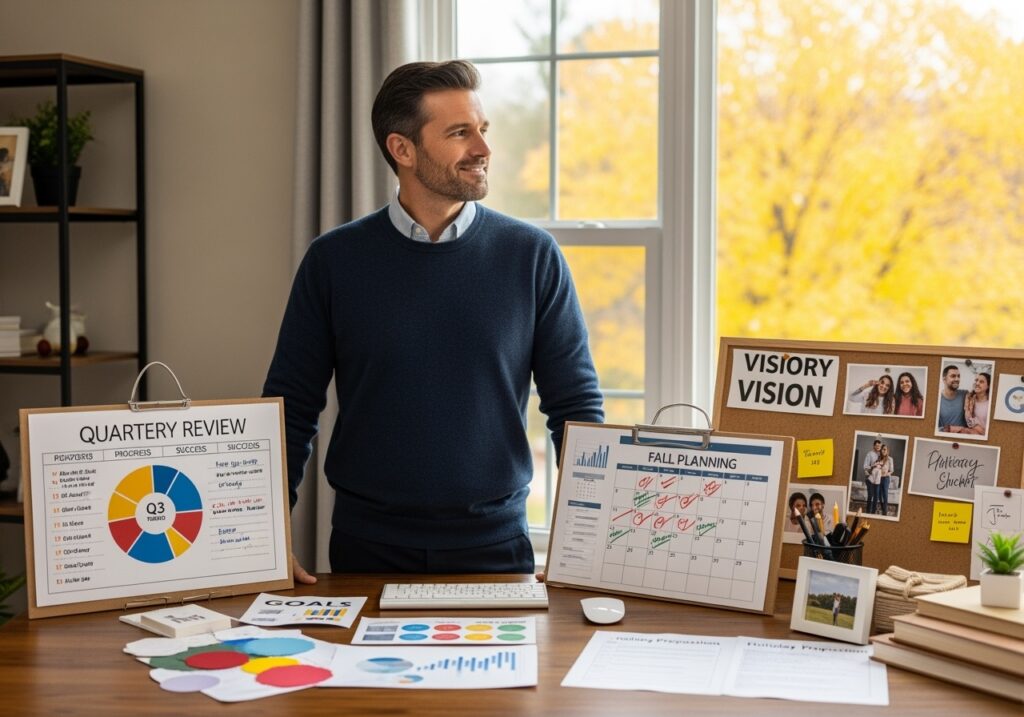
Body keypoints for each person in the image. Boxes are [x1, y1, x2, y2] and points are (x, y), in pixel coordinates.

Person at [263, 60, 604, 581]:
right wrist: (266, 539)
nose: (484, 148)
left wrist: (587, 540)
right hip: (365, 551)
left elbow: (576, 408)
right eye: (460, 133)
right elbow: (290, 408)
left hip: (498, 549)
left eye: (483, 129)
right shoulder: (333, 261)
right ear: (402, 149)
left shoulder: (533, 256)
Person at [937, 364, 968, 432]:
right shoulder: (936, 399)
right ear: (944, 379)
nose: (957, 379)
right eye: (953, 376)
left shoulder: (965, 394)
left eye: (958, 376)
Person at [958, 372, 991, 436]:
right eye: (976, 380)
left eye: (981, 382)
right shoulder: (969, 399)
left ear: (988, 386)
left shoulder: (991, 402)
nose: (977, 383)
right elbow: (969, 420)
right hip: (975, 434)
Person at [866, 443, 893, 516]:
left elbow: (891, 471)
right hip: (878, 479)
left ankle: (884, 512)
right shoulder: (878, 458)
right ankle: (873, 513)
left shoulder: (890, 459)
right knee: (877, 496)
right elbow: (874, 467)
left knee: (884, 496)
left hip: (885, 479)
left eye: (885, 449)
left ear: (887, 451)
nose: (883, 451)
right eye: (882, 450)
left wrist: (885, 474)